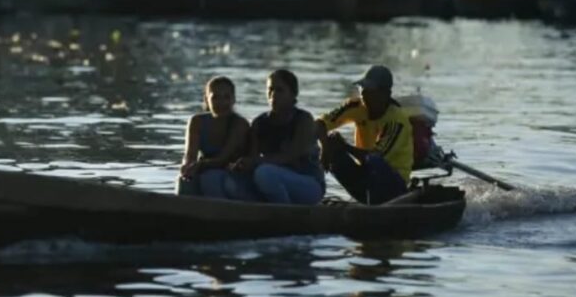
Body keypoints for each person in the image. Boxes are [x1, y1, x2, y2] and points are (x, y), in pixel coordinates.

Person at [315, 65, 413, 205]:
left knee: (374, 161)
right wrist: (326, 145)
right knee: (331, 147)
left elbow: (376, 156)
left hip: (393, 184)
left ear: (385, 93)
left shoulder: (397, 121)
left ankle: (372, 207)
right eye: (362, 88)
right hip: (366, 177)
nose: (364, 94)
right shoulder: (356, 106)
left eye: (370, 90)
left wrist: (345, 146)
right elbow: (319, 125)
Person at [229, 69, 325, 204]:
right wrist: (242, 165)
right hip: (274, 179)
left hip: (308, 183)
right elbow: (253, 157)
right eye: (270, 89)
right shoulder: (259, 123)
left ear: (293, 94)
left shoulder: (303, 119)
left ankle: (284, 212)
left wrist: (256, 162)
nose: (273, 94)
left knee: (264, 173)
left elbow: (290, 156)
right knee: (229, 182)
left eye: (279, 90)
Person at [177, 76, 249, 198]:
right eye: (215, 97)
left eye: (226, 97)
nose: (221, 103)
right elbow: (190, 155)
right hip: (206, 168)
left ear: (233, 100)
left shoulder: (240, 124)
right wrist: (187, 167)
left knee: (210, 178)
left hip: (233, 174)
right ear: (206, 100)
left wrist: (199, 165)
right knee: (185, 180)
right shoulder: (197, 121)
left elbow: (222, 159)